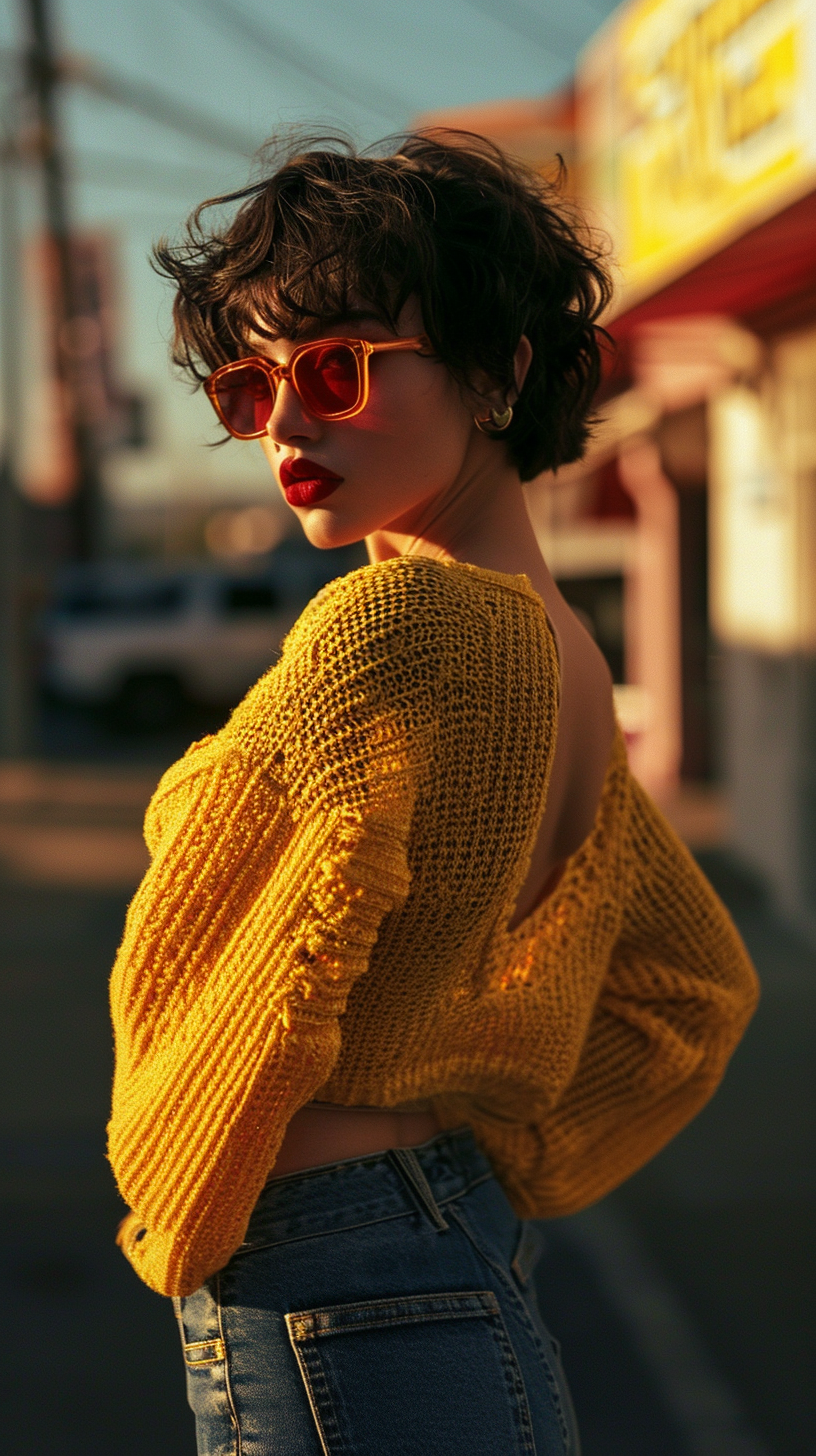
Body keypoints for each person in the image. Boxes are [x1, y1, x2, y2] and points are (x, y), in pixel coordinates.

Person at [107, 132, 758, 1456]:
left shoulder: (403, 626)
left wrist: (201, 1193)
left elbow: (253, 951)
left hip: (329, 1272)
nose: (288, 421)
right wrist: (495, 1144)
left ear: (498, 368)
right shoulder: (557, 641)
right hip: (440, 1248)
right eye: (252, 386)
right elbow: (693, 987)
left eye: (339, 367)